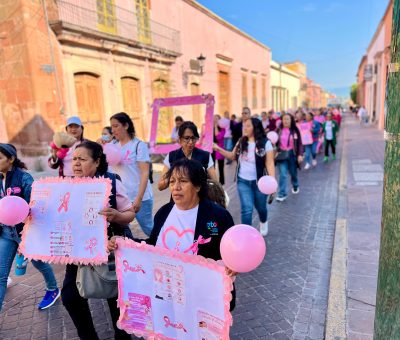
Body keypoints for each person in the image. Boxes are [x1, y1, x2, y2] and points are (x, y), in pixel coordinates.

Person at [109, 158, 236, 310]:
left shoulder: (218, 216)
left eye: (183, 181)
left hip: (203, 298)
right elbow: (152, 246)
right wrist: (124, 242)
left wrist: (234, 264)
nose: (175, 187)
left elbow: (232, 250)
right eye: (172, 181)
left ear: (197, 186)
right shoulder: (164, 213)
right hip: (169, 295)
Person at [61, 141, 135, 340]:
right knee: (70, 296)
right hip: (77, 252)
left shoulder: (111, 181)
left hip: (110, 250)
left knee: (116, 297)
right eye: (74, 159)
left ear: (96, 162)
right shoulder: (67, 186)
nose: (76, 164)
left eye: (82, 159)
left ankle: (123, 335)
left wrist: (116, 216)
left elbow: (129, 213)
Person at [0, 143, 60, 312]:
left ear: (11, 159)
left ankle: (53, 289)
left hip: (26, 232)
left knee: (39, 264)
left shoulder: (24, 178)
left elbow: (35, 206)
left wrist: (27, 236)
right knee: (1, 275)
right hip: (6, 232)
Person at [213, 118, 275, 236]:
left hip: (260, 183)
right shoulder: (241, 141)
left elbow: (269, 163)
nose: (244, 128)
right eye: (244, 126)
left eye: (248, 126)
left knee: (261, 208)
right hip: (243, 182)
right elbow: (232, 156)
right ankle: (246, 235)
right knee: (247, 209)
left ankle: (263, 221)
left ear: (255, 128)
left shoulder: (265, 143)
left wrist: (272, 182)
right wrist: (217, 148)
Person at [109, 112, 154, 237]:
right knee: (123, 231)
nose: (113, 130)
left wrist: (138, 199)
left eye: (116, 126)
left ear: (126, 126)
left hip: (140, 197)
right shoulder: (112, 146)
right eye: (111, 127)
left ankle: (167, 250)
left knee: (149, 228)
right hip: (121, 198)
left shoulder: (138, 145)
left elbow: (145, 173)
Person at [158, 121, 217, 191]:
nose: (191, 142)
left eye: (193, 138)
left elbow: (216, 183)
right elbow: (160, 186)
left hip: (200, 199)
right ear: (179, 139)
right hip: (178, 199)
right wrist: (172, 177)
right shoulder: (172, 156)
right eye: (187, 138)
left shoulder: (205, 156)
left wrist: (203, 180)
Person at [275, 114, 303, 202]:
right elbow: (273, 142)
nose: (286, 121)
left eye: (287, 119)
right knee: (283, 174)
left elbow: (299, 143)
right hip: (282, 155)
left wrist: (300, 155)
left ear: (291, 120)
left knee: (293, 173)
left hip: (292, 155)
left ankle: (295, 185)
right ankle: (282, 193)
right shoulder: (278, 130)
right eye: (284, 119)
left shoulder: (295, 130)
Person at [213, 115, 226, 185]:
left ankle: (222, 183)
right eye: (214, 119)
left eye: (216, 119)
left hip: (220, 150)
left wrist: (215, 126)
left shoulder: (222, 129)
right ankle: (213, 182)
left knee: (221, 168)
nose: (215, 120)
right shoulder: (210, 128)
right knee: (212, 167)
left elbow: (218, 137)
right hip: (212, 150)